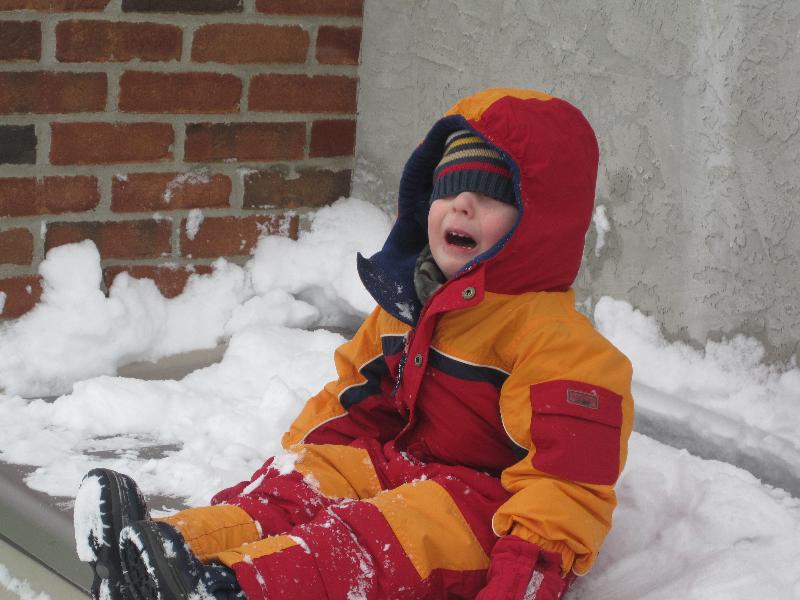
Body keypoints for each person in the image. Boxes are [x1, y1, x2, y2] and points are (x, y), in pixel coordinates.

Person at [74, 87, 634, 600]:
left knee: (369, 535)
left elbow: (564, 491)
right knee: (316, 481)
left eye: (489, 195)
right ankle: (163, 550)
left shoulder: (563, 349)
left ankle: (229, 587)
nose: (461, 205)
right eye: (447, 189)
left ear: (540, 223)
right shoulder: (410, 308)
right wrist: (302, 470)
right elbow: (351, 402)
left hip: (481, 515)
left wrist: (520, 583)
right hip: (401, 470)